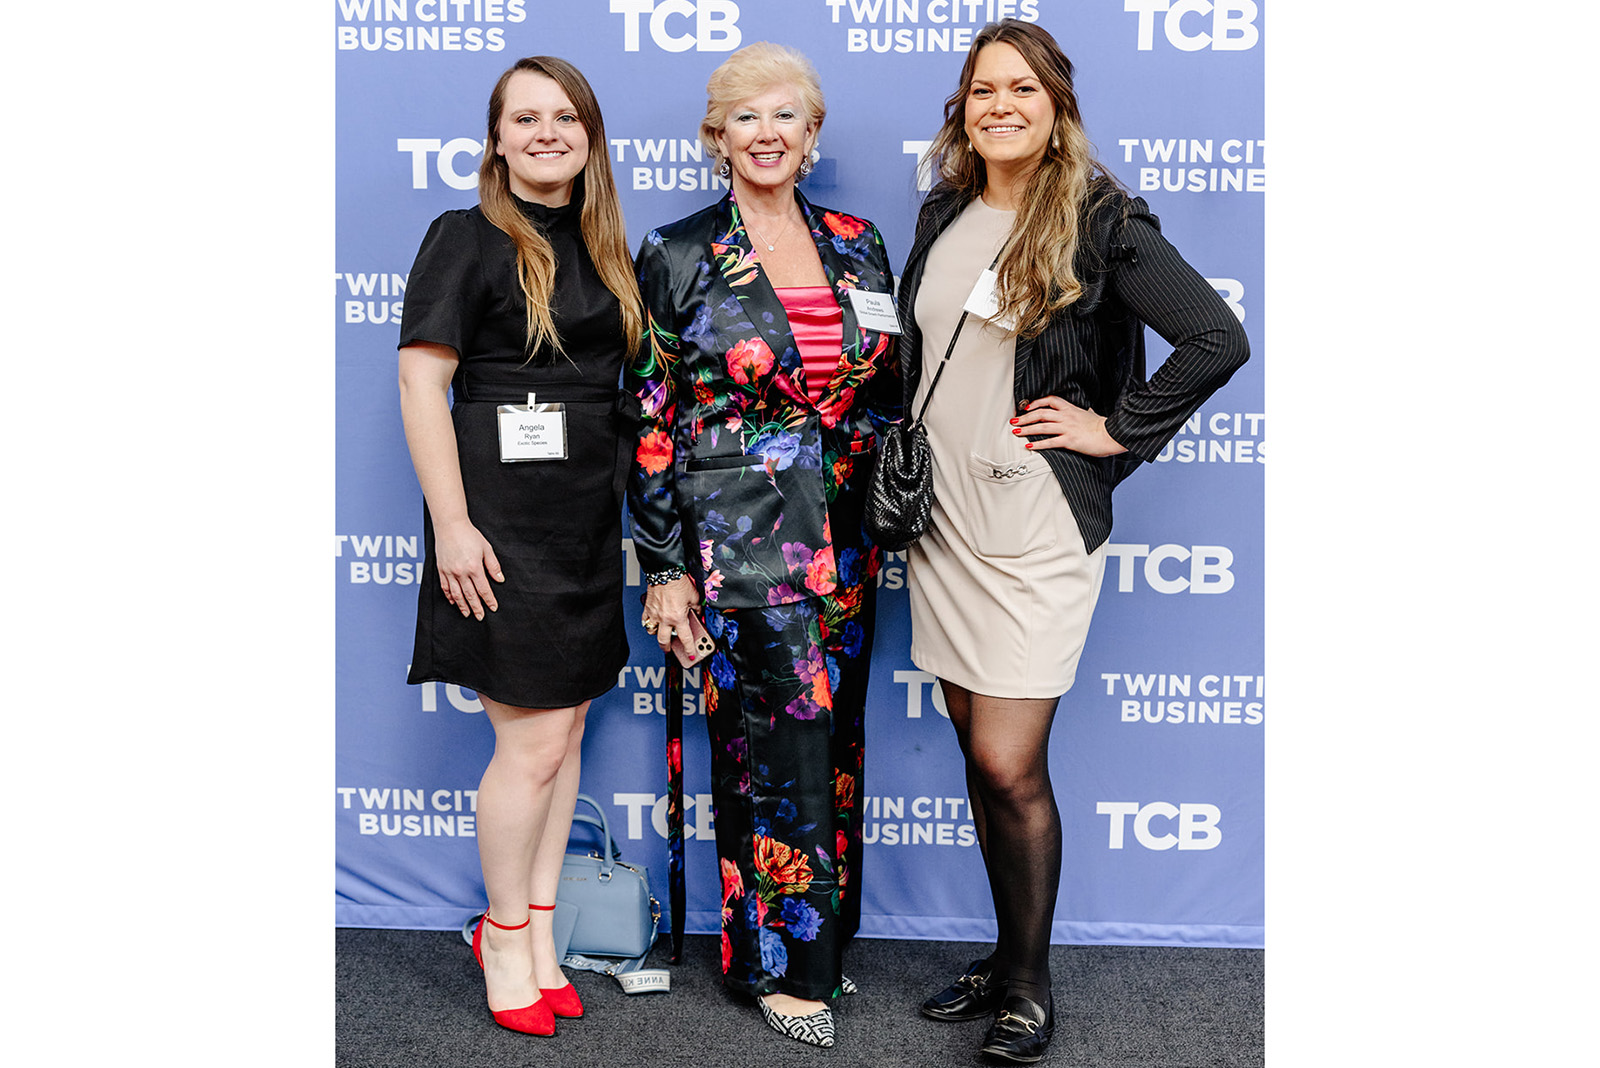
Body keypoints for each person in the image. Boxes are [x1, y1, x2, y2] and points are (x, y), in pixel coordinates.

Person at [898, 20, 1250, 1065]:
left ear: (1057, 109)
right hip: (943, 520)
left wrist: (1116, 430)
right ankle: (1004, 956)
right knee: (976, 749)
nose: (1000, 105)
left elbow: (1216, 338)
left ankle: (1029, 987)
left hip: (1033, 521)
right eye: (982, 90)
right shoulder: (946, 209)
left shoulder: (1101, 219)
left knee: (1008, 764)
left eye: (1023, 89)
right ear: (961, 110)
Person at [628, 41, 900, 1050]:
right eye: (746, 116)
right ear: (717, 137)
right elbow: (651, 418)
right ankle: (776, 968)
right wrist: (665, 569)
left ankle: (822, 942)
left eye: (786, 115)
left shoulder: (858, 244)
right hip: (739, 535)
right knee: (767, 745)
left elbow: (883, 387)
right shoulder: (679, 252)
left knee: (834, 744)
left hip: (847, 535)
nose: (767, 133)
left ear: (812, 133)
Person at [397, 56, 642, 1036]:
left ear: (590, 136)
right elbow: (422, 384)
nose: (548, 133)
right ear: (496, 139)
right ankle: (501, 937)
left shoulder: (604, 246)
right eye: (526, 118)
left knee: (566, 734)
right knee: (530, 743)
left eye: (566, 117)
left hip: (584, 521)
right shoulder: (464, 237)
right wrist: (453, 526)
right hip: (498, 525)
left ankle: (540, 934)